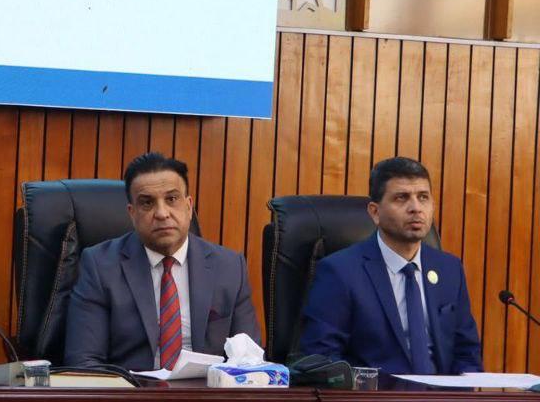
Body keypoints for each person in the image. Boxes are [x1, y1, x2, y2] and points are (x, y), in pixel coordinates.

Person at [63, 152, 261, 370]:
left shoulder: (229, 267)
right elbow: (84, 362)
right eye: (147, 203)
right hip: (131, 388)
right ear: (132, 213)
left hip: (206, 389)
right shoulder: (100, 266)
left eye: (172, 199)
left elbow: (249, 361)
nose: (161, 213)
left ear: (189, 206)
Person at [299, 156, 482, 375]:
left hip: (443, 395)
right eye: (401, 198)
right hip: (376, 394)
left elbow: (467, 353)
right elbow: (323, 358)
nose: (416, 208)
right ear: (375, 212)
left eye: (423, 197)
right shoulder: (340, 272)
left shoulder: (449, 269)